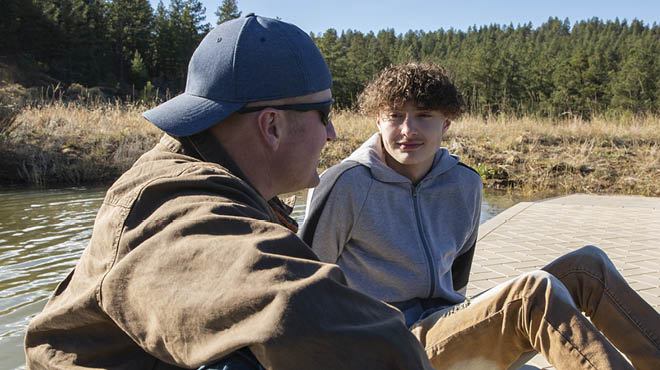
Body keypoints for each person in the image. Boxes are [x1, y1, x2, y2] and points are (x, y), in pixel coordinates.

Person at [24, 15, 435, 370]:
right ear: (272, 126)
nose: (332, 133)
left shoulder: (215, 180)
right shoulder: (169, 200)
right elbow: (289, 304)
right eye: (323, 114)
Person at [300, 62, 660, 370]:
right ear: (378, 120)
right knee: (533, 293)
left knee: (587, 266)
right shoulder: (346, 183)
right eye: (395, 116)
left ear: (447, 123)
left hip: (444, 326)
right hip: (388, 345)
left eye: (424, 115)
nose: (408, 129)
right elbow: (303, 284)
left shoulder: (464, 183)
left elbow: (457, 280)